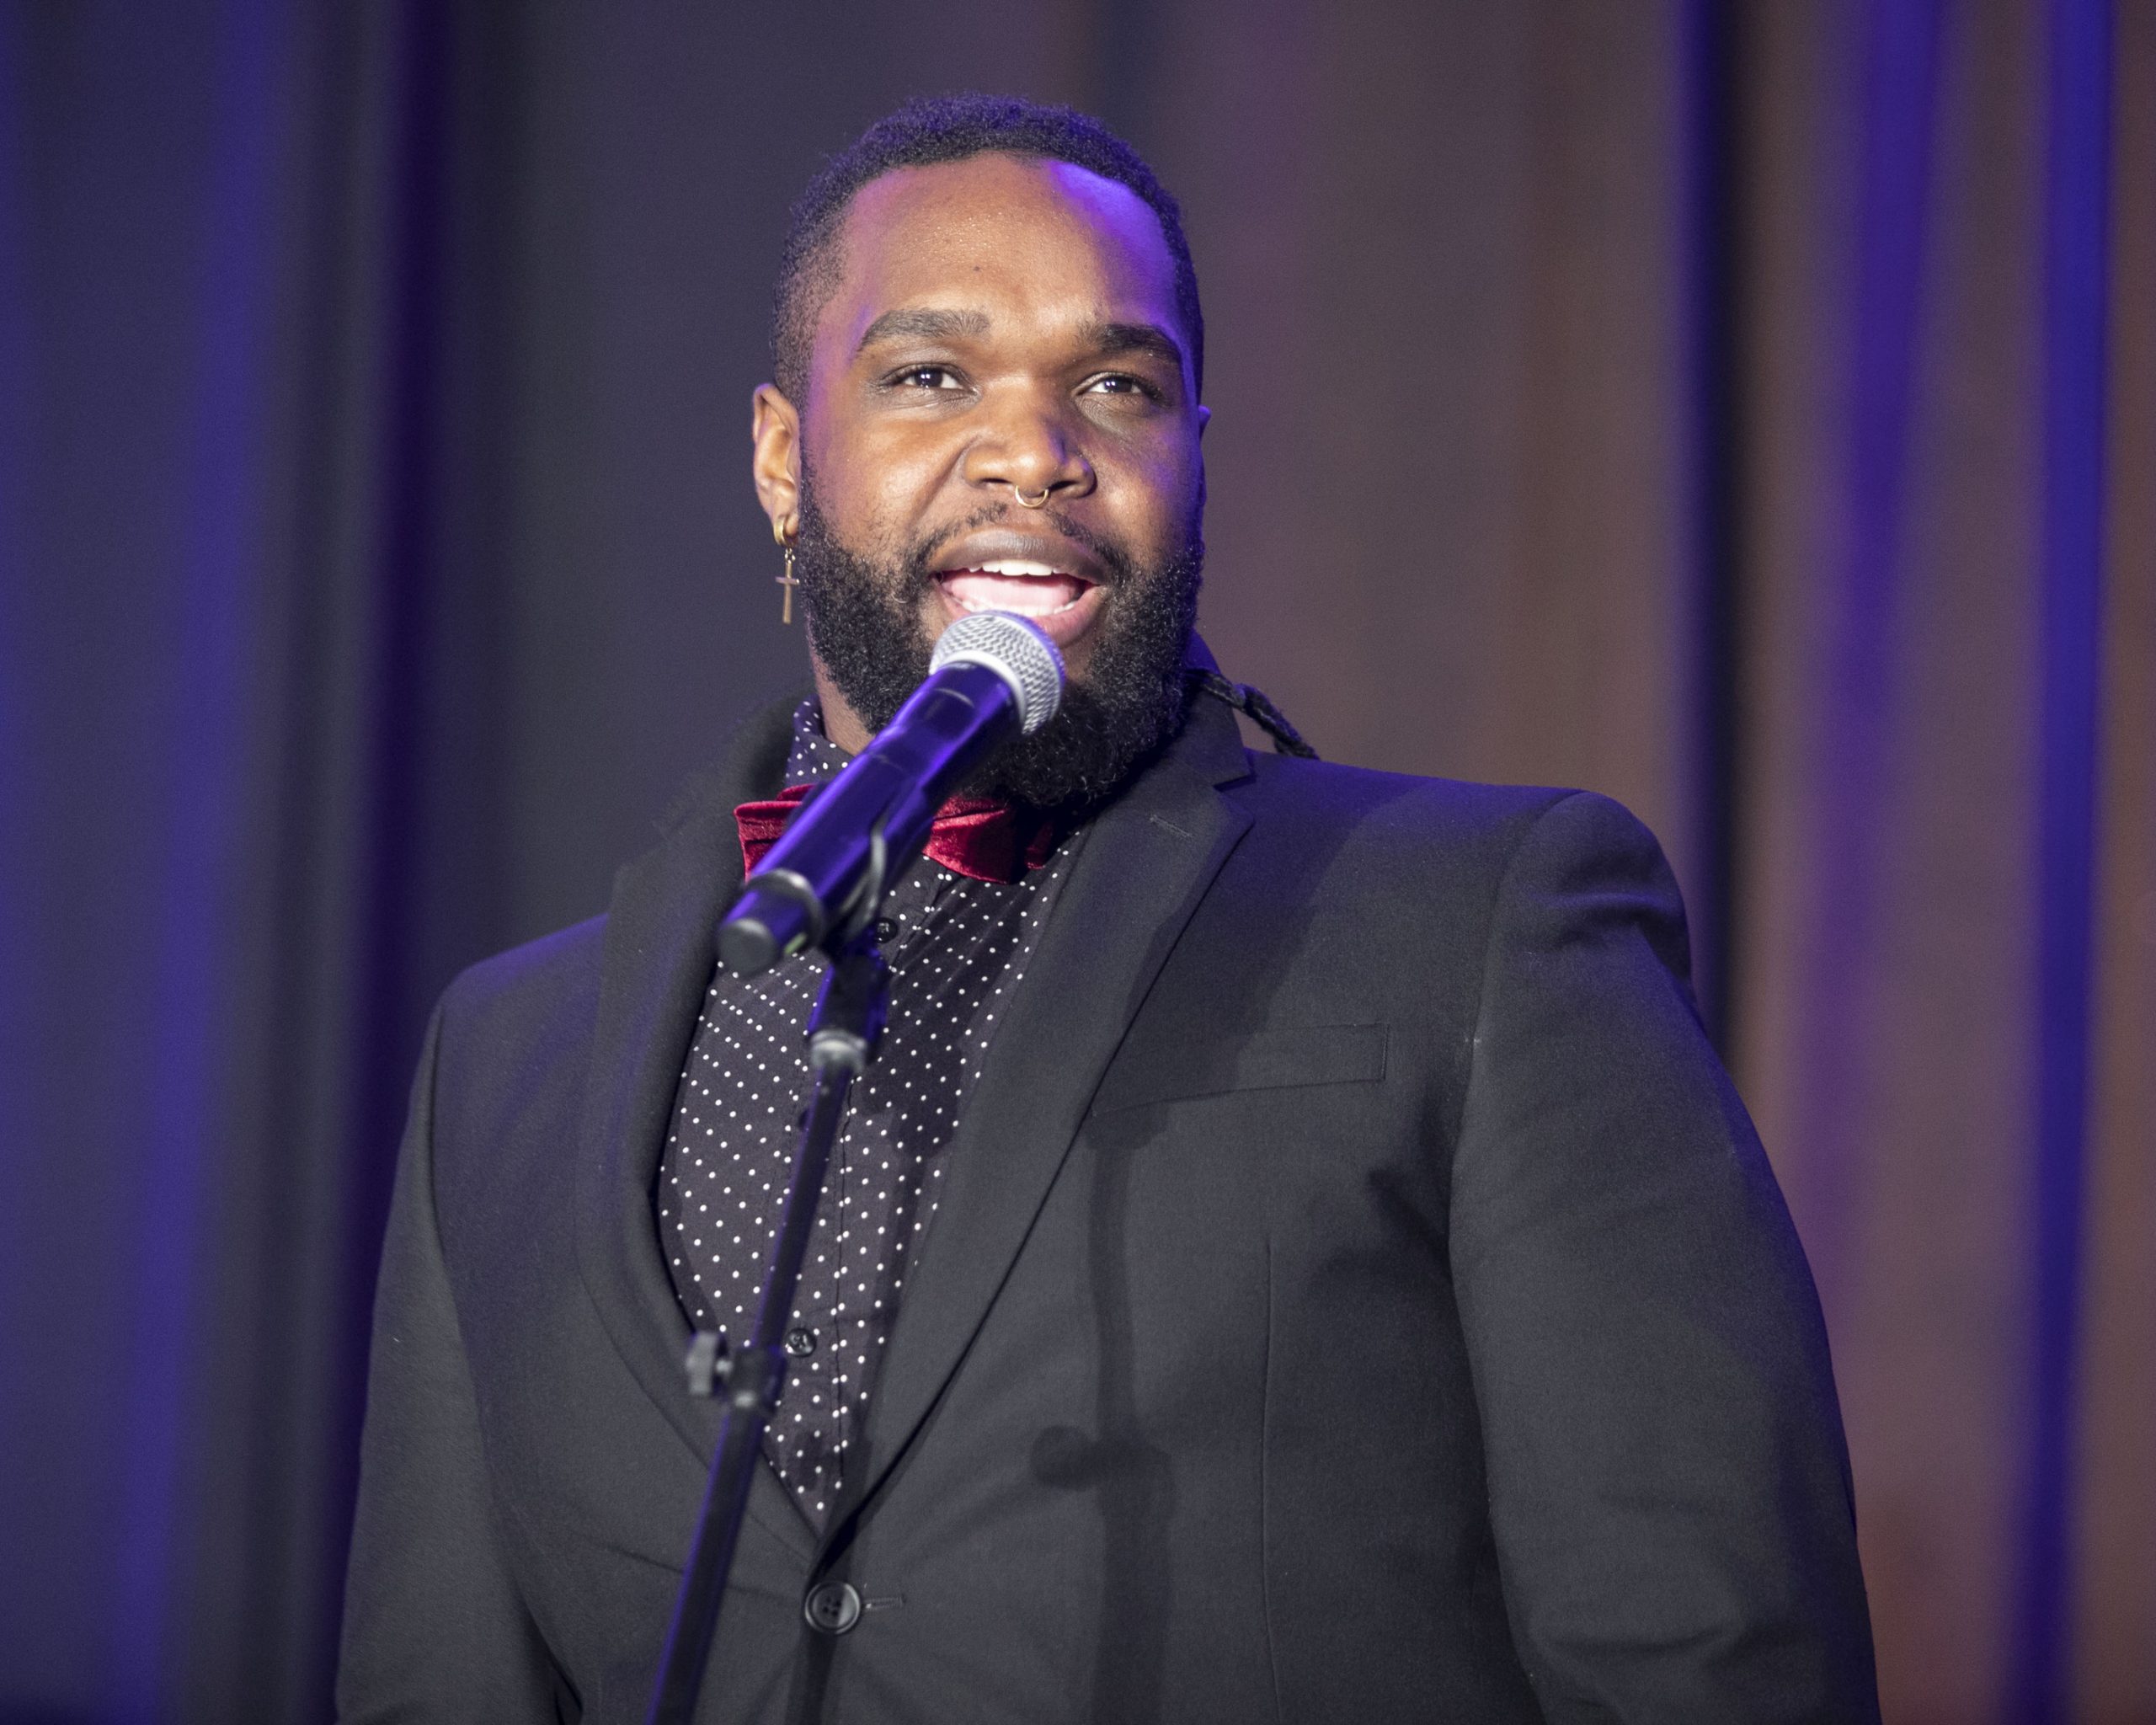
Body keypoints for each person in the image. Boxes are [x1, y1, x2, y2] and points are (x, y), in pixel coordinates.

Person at [338, 95, 1880, 1724]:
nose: (1035, 452)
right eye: (932, 377)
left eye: (1115, 387)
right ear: (785, 460)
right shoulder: (506, 1056)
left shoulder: (1484, 921)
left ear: (1195, 455)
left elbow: (1711, 1661)